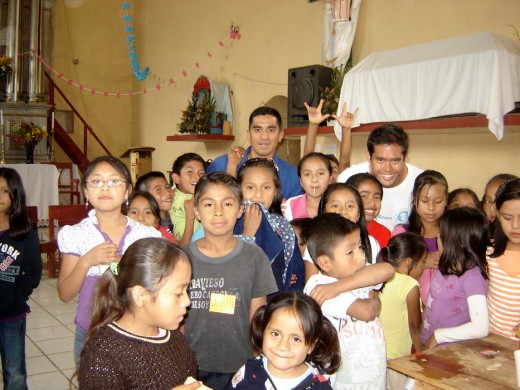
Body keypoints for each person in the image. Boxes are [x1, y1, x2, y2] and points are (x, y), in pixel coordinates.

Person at [57, 156, 161, 367]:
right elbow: (65, 294)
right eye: (96, 181)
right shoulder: (77, 234)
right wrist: (86, 261)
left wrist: (130, 268)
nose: (105, 188)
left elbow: (156, 290)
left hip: (136, 332)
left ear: (127, 191)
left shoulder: (145, 235)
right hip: (90, 333)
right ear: (86, 191)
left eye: (114, 181)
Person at [182, 172, 278, 390]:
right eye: (208, 204)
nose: (218, 212)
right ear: (196, 211)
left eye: (227, 203)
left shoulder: (255, 258)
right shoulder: (180, 258)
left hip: (240, 365)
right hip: (190, 366)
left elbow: (257, 316)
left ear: (240, 209)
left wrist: (256, 357)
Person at [78, 238, 203, 389]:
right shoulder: (102, 354)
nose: (187, 301)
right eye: (178, 293)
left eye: (186, 289)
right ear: (140, 296)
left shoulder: (175, 339)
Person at [304, 213, 387, 389]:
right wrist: (375, 299)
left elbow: (387, 269)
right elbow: (366, 312)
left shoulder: (344, 282)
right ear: (325, 263)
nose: (360, 257)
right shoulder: (319, 287)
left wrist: (339, 287)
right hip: (342, 379)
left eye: (360, 247)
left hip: (373, 374)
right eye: (350, 252)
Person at [229, 291, 340, 390]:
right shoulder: (248, 372)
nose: (283, 346)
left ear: (311, 345)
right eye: (275, 334)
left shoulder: (320, 386)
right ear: (263, 332)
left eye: (296, 339)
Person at [421, 207, 490, 349]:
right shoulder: (445, 266)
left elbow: (481, 327)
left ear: (454, 243)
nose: (436, 239)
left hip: (449, 352)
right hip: (429, 347)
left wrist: (438, 336)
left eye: (440, 236)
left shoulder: (472, 278)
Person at [235, 158, 305, 292]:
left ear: (275, 191)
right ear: (239, 189)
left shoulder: (282, 225)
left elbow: (295, 270)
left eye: (266, 187)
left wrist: (285, 274)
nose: (258, 194)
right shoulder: (230, 221)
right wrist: (247, 234)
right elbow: (227, 266)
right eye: (250, 187)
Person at [0, 168, 42, 389]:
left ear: (15, 194)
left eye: (5, 191)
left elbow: (34, 272)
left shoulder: (24, 232)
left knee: (14, 371)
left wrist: (17, 297)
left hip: (11, 314)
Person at [337, 123, 423, 231]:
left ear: (406, 158)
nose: (388, 168)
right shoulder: (348, 177)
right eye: (380, 160)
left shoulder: (421, 182)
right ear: (368, 156)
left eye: (395, 160)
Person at [206, 106, 303, 199]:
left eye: (271, 130)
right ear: (249, 134)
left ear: (280, 135)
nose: (264, 136)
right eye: (257, 130)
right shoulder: (221, 165)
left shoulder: (292, 177)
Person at [377, 233, 427, 390]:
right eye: (423, 262)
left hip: (378, 354)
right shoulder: (409, 284)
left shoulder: (379, 276)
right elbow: (415, 326)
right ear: (409, 262)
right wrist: (423, 357)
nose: (424, 267)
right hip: (397, 359)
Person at [392, 170, 448, 306]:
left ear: (446, 200)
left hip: (445, 306)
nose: (431, 207)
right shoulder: (402, 233)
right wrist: (420, 261)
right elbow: (392, 271)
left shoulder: (450, 234)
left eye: (438, 201)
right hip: (410, 307)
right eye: (424, 200)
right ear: (414, 198)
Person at [487, 178, 520, 339]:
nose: (515, 225)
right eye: (507, 218)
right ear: (498, 215)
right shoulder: (488, 253)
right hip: (491, 343)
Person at [303, 99, 358, 175]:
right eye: (323, 171)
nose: (330, 175)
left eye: (335, 170)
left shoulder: (341, 182)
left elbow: (344, 162)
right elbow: (307, 160)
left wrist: (346, 128)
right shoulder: (314, 185)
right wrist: (313, 124)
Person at [346, 173, 391, 247]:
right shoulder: (338, 229)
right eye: (364, 196)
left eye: (376, 197)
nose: (372, 203)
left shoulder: (384, 233)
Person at [283, 152, 332, 221]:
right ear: (300, 181)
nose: (314, 179)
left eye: (320, 173)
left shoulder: (338, 204)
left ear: (330, 178)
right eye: (307, 174)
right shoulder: (290, 206)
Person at [170, 153, 206, 244]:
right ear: (176, 178)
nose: (197, 176)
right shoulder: (173, 199)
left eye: (201, 173)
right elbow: (184, 245)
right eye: (190, 171)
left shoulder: (203, 195)